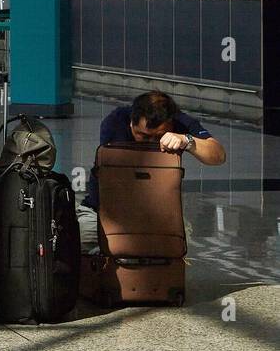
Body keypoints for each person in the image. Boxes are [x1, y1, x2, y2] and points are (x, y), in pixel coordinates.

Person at [77, 91, 226, 253]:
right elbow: (118, 181)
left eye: (158, 137)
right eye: (142, 135)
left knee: (171, 251)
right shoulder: (115, 122)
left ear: (170, 125)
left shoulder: (181, 123)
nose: (151, 143)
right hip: (102, 211)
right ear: (131, 124)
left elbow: (218, 155)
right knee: (87, 247)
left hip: (156, 214)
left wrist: (187, 141)